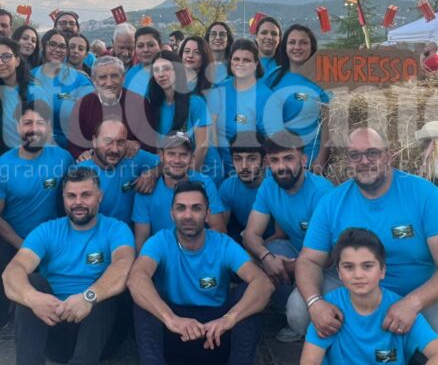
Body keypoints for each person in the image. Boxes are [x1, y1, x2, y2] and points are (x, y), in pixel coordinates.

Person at [289, 127, 438, 361]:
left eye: (372, 153)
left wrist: (412, 303)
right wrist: (315, 303)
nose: (364, 161)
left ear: (388, 155)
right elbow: (309, 260)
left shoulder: (425, 195)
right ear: (347, 161)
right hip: (352, 289)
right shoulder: (331, 203)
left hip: (416, 290)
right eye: (355, 155)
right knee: (299, 310)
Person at [127, 181, 273, 365]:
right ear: (172, 214)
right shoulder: (161, 241)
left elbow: (263, 283)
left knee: (249, 293)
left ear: (207, 214)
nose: (188, 216)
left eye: (196, 208)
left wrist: (229, 319)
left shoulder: (223, 243)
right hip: (175, 330)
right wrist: (171, 319)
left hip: (216, 333)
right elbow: (136, 278)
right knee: (145, 296)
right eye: (181, 208)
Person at [3, 167, 135, 365]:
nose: (78, 202)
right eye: (71, 196)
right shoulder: (47, 231)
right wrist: (33, 298)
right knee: (30, 281)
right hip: (56, 324)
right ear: (63, 198)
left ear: (99, 196)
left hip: (101, 333)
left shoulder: (117, 229)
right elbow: (12, 272)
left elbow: (124, 265)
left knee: (107, 289)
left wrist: (88, 297)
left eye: (86, 195)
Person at [299, 228, 438, 365]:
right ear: (339, 273)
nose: (358, 275)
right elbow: (309, 361)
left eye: (367, 266)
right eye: (348, 267)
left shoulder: (401, 310)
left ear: (382, 271)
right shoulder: (329, 309)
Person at [0, 100, 75, 328]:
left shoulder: (63, 159)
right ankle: (0, 305)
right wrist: (23, 245)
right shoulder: (0, 168)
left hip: (50, 238)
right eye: (27, 123)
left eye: (40, 123)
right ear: (17, 127)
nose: (34, 129)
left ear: (49, 127)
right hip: (13, 237)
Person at [243, 130, 334, 342]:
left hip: (326, 265)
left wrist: (282, 266)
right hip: (296, 251)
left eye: (288, 158)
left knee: (298, 316)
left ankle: (301, 315)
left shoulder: (321, 193)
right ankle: (280, 304)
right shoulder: (269, 186)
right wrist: (266, 258)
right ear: (267, 163)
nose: (281, 166)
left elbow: (329, 257)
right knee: (252, 256)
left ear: (303, 160)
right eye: (275, 160)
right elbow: (250, 234)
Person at [132, 133, 226, 251]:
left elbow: (219, 229)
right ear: (161, 156)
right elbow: (141, 240)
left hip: (198, 253)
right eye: (171, 154)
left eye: (183, 155)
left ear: (192, 158)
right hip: (162, 255)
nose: (177, 160)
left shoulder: (205, 183)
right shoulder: (147, 188)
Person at [207, 40, 280, 181]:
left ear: (256, 64)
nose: (240, 63)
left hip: (253, 175)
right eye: (236, 59)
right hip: (220, 170)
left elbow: (273, 141)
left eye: (246, 60)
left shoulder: (266, 97)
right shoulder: (219, 90)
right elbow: (211, 135)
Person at [265, 24, 331, 172]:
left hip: (309, 158)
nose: (297, 47)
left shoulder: (322, 78)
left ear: (312, 47)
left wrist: (321, 158)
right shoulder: (273, 76)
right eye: (292, 42)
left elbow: (327, 123)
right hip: (278, 158)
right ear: (285, 47)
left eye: (303, 42)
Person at [68, 55, 157, 159]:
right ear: (94, 80)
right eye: (103, 77)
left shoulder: (140, 104)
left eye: (114, 76)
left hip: (130, 161)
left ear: (123, 78)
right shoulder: (83, 105)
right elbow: (73, 146)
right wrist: (81, 154)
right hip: (95, 163)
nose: (109, 83)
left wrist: (138, 144)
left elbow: (151, 144)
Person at [79, 119, 161, 223]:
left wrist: (154, 173)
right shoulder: (80, 172)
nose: (115, 149)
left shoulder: (131, 156)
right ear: (95, 141)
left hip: (130, 231)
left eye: (120, 142)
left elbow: (167, 163)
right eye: (108, 141)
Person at [0, 36, 51, 159]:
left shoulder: (34, 92)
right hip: (5, 159)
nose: (0, 63)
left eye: (6, 56)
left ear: (17, 60)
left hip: (33, 160)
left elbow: (46, 134)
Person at [147, 50, 211, 173]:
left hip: (202, 171)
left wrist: (187, 178)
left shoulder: (195, 103)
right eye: (156, 70)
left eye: (166, 69)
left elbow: (202, 147)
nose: (161, 74)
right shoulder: (155, 105)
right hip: (173, 172)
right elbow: (159, 149)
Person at [32, 29, 94, 149]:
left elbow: (90, 108)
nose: (57, 49)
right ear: (43, 47)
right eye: (52, 44)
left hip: (73, 147)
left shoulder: (79, 79)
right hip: (37, 145)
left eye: (62, 46)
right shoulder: (30, 76)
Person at [218, 131, 272, 242]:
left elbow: (283, 233)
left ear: (264, 162)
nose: (244, 166)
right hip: (244, 236)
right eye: (238, 159)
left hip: (274, 240)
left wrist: (256, 248)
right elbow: (221, 229)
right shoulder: (227, 187)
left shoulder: (277, 185)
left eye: (251, 159)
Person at [123, 26, 162, 96]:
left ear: (160, 46)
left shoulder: (172, 72)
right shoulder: (131, 74)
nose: (145, 50)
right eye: (140, 46)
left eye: (151, 45)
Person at [206, 21, 233, 85]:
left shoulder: (234, 65)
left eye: (222, 34)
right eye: (213, 34)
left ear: (228, 40)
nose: (217, 38)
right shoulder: (200, 64)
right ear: (208, 39)